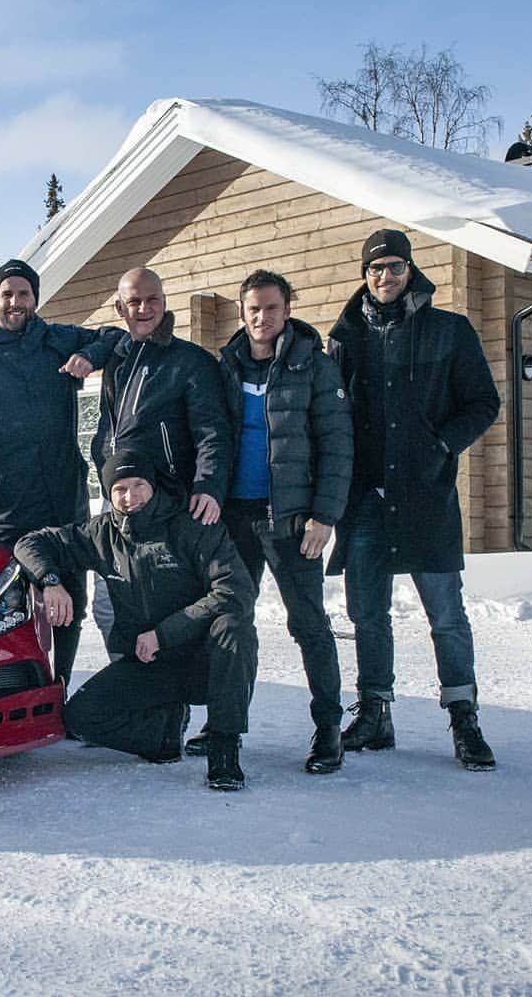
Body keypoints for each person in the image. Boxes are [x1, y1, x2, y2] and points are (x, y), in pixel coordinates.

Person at [327, 229, 500, 770]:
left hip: (426, 496)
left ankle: (464, 714)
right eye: (375, 268)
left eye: (394, 267)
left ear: (410, 270)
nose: (385, 277)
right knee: (367, 612)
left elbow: (483, 402)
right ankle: (376, 712)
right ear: (365, 274)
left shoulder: (448, 330)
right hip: (367, 501)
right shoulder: (344, 337)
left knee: (446, 615)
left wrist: (442, 443)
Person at [13, 450, 258, 791]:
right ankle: (163, 735)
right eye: (120, 489)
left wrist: (164, 633)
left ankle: (224, 747)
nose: (131, 497)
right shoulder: (102, 534)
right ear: (109, 494)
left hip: (205, 660)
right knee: (80, 717)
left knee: (234, 627)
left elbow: (236, 592)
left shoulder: (191, 525)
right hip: (150, 663)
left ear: (153, 485)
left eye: (139, 485)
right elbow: (30, 543)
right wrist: (50, 582)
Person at [199, 269, 353, 774]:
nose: (261, 317)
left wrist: (323, 516)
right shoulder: (225, 367)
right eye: (252, 309)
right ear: (241, 313)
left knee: (308, 624)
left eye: (270, 307)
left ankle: (329, 727)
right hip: (235, 517)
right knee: (230, 622)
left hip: (292, 519)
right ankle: (223, 725)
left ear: (287, 309)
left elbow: (336, 445)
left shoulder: (314, 366)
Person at [0, 258, 117, 688]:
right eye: (7, 294)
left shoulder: (57, 341)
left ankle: (60, 684)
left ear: (35, 299)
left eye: (24, 294)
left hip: (63, 496)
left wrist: (88, 356)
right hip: (6, 504)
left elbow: (114, 337)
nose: (15, 302)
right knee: (9, 598)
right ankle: (16, 686)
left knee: (70, 599)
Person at [88, 266, 232, 652]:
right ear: (121, 308)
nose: (144, 308)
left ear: (165, 302)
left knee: (163, 603)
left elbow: (212, 432)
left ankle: (170, 704)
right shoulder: (116, 361)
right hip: (118, 498)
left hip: (166, 500)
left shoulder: (190, 361)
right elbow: (110, 427)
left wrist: (208, 484)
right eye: (134, 301)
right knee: (108, 603)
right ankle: (130, 686)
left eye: (152, 299)